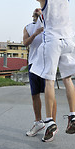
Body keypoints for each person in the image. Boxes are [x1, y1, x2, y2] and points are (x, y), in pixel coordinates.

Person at [30, 0, 75, 142]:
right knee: (68, 79)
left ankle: (50, 121)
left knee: (50, 80)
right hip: (69, 40)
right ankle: (73, 114)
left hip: (53, 42)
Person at [23, 8, 57, 137]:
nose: (37, 10)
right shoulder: (27, 27)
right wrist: (35, 34)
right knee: (35, 94)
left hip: (47, 62)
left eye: (40, 9)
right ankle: (38, 123)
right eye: (35, 10)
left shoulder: (50, 25)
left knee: (50, 95)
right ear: (33, 14)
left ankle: (52, 125)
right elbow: (25, 43)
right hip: (33, 63)